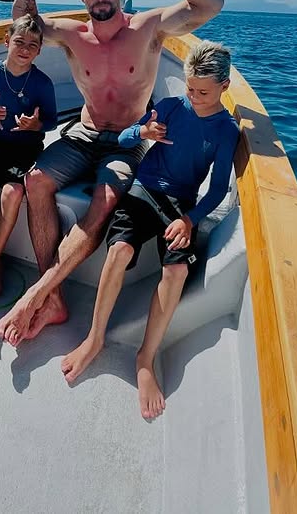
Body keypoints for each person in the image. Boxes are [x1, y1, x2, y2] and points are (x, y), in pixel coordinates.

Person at [0, 0, 224, 345]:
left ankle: (37, 292)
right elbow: (22, 22)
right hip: (83, 134)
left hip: (128, 142)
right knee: (35, 181)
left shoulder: (148, 27)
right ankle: (53, 299)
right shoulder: (72, 33)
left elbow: (210, 6)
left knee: (105, 201)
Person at [59, 41, 240, 419]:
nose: (194, 96)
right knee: (119, 250)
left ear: (224, 86)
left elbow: (219, 187)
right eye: (190, 88)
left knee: (176, 271)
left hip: (181, 208)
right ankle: (94, 339)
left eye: (203, 92)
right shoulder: (173, 107)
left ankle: (145, 358)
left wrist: (189, 219)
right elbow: (126, 138)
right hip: (143, 191)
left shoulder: (226, 130)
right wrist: (144, 132)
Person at [0, 16, 57, 308]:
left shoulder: (42, 82)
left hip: (26, 150)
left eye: (33, 45)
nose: (25, 49)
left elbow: (52, 122)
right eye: (19, 42)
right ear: (6, 41)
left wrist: (35, 125)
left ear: (40, 50)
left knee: (13, 192)